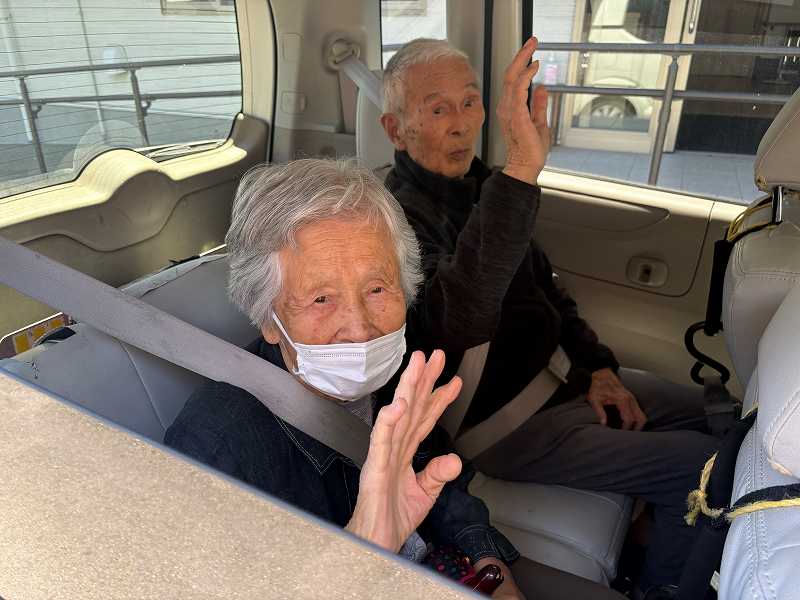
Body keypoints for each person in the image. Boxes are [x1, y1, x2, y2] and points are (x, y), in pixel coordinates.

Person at [165, 158, 625, 600]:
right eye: (321, 298)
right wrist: (362, 547)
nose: (360, 328)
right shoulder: (217, 445)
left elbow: (441, 483)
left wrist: (492, 569)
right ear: (269, 320)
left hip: (446, 564)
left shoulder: (396, 366)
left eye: (377, 288)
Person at [379, 37, 720, 600]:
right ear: (396, 130)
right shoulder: (395, 222)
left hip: (565, 382)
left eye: (470, 102)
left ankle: (660, 533)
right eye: (438, 110)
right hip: (506, 426)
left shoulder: (481, 187)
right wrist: (520, 173)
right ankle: (661, 590)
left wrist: (598, 368)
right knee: (701, 467)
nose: (461, 124)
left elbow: (549, 291)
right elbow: (458, 320)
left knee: (718, 413)